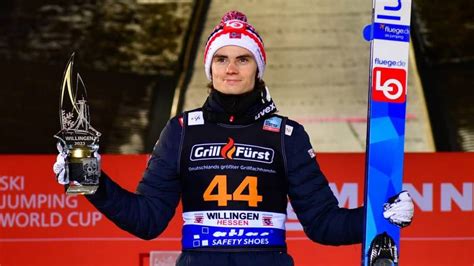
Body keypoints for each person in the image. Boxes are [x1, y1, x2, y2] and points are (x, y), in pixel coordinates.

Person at [53, 10, 414, 266]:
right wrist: (91, 181)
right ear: (209, 67)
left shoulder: (287, 135)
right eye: (222, 58)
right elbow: (146, 219)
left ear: (259, 68)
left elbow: (323, 224)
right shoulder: (181, 131)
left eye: (243, 59)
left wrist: (381, 217)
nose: (231, 68)